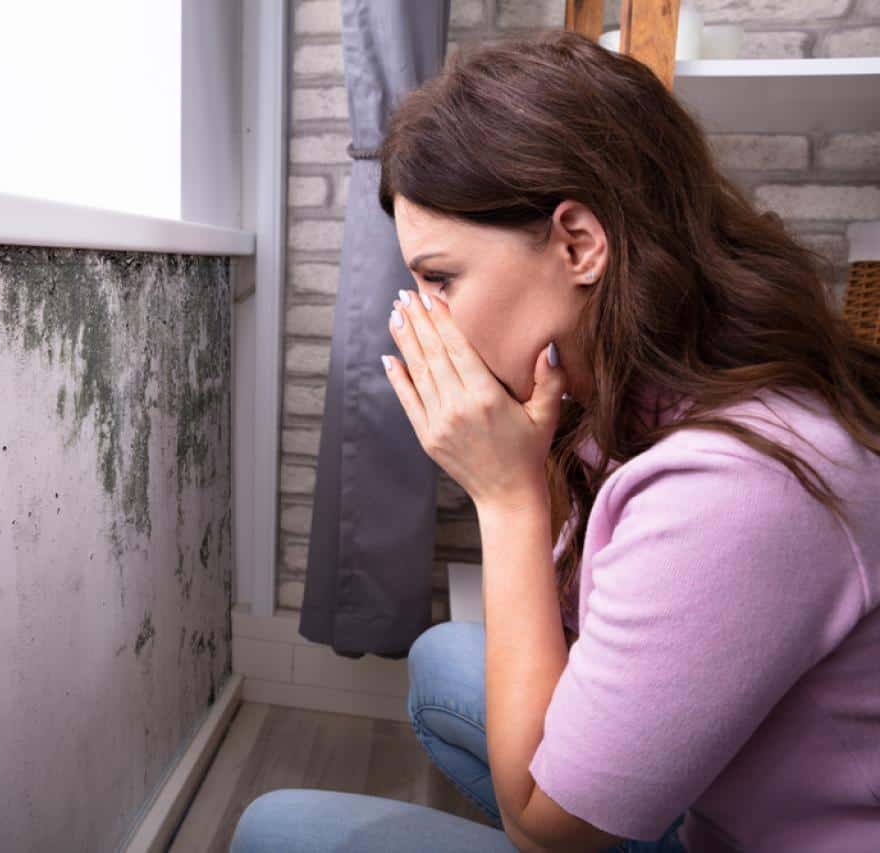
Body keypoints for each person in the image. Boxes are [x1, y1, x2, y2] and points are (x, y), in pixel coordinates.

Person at [231, 29, 880, 853]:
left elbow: (546, 827)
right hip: (722, 797)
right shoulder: (642, 385)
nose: (425, 317)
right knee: (442, 657)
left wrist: (506, 498)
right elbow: (582, 628)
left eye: (442, 278)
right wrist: (533, 462)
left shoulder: (739, 486)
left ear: (579, 245)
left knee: (274, 829)